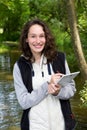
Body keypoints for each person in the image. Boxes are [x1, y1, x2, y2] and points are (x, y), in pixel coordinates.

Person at [13, 19, 76, 130]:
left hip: (61, 126)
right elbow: (23, 102)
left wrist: (58, 92)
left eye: (41, 36)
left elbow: (71, 89)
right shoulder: (19, 66)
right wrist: (46, 87)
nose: (38, 41)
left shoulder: (60, 58)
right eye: (33, 36)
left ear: (46, 38)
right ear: (26, 39)